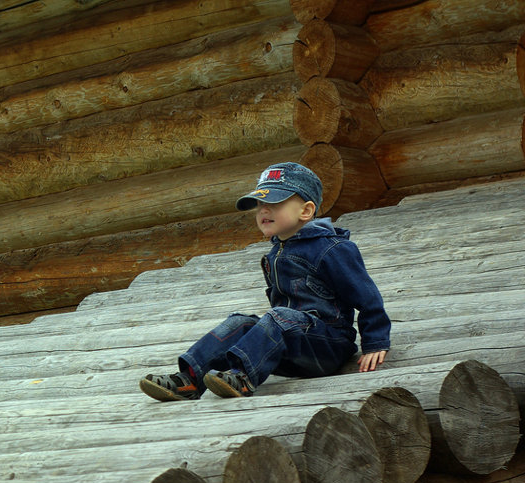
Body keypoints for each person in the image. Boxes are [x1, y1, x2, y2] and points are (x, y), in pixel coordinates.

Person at [139, 161, 390, 402]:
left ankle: (242, 378)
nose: (263, 210)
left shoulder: (332, 249)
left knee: (278, 316)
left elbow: (367, 297)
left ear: (306, 211)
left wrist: (375, 342)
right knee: (240, 322)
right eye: (260, 204)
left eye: (275, 202)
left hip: (327, 347)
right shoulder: (277, 252)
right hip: (291, 348)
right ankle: (190, 379)